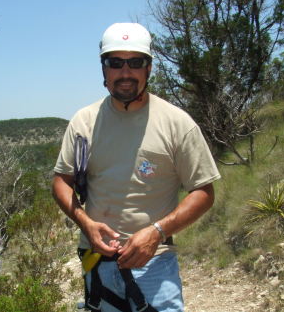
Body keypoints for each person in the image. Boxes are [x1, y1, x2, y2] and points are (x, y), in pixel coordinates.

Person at [52, 22, 221, 312]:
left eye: (136, 62)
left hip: (154, 263)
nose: (125, 73)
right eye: (115, 63)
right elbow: (61, 182)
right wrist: (87, 225)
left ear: (149, 68)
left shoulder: (176, 123)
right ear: (104, 68)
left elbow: (203, 192)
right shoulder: (83, 122)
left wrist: (156, 231)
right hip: (97, 262)